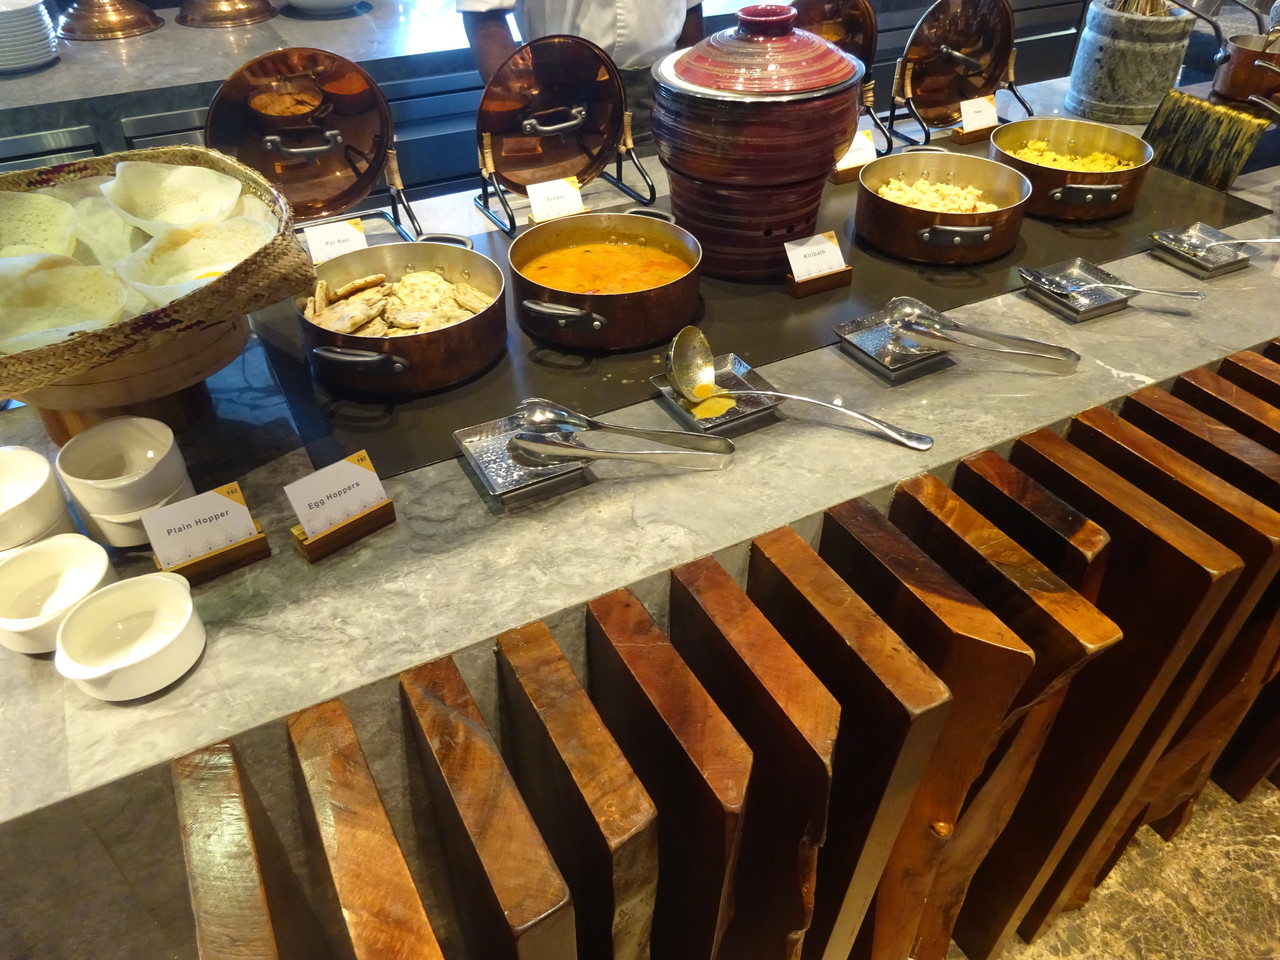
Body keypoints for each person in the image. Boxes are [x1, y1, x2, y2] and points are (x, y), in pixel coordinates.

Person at [458, 1, 704, 141]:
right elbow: (484, 14)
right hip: (555, 100)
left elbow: (690, 7)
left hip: (660, 98)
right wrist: (520, 110)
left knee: (666, 206)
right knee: (563, 214)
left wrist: (693, 107)